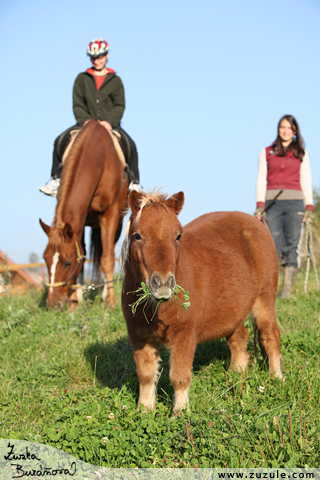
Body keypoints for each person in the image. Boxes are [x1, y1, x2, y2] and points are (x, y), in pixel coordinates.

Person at [40, 38, 140, 196]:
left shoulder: (115, 80)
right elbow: (77, 104)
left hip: (111, 125)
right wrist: (85, 121)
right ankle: (55, 179)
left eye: (100, 57)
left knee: (131, 145)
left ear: (106, 56)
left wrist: (109, 122)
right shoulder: (82, 79)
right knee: (59, 140)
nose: (97, 60)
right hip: (84, 123)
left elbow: (119, 105)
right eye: (94, 57)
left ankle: (134, 183)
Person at [255, 114, 314, 299]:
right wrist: (259, 205)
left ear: (294, 131)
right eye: (282, 127)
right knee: (271, 248)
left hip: (295, 203)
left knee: (292, 247)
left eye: (289, 127)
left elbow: (306, 180)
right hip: (272, 204)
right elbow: (260, 179)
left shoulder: (300, 154)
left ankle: (286, 293)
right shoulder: (267, 152)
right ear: (278, 129)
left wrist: (309, 206)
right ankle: (268, 292)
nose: (285, 130)